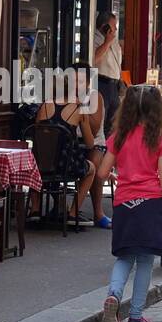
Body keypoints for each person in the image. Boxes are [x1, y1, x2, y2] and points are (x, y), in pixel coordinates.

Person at [96, 85, 162, 322]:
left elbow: (100, 173)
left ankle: (113, 296)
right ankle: (136, 318)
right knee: (145, 261)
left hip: (123, 204)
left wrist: (118, 174)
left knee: (124, 256)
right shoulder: (158, 140)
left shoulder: (118, 137)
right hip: (149, 204)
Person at [35, 64, 102, 226]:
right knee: (91, 168)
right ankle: (72, 214)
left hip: (42, 163)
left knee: (37, 166)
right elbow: (90, 143)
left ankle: (35, 210)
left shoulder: (45, 105)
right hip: (65, 164)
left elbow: (37, 134)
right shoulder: (78, 109)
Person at [93, 11, 122, 136]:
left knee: (114, 123)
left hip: (114, 85)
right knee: (101, 122)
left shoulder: (114, 41)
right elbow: (94, 59)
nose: (115, 28)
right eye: (113, 25)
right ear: (105, 26)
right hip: (101, 83)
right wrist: (107, 42)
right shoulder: (94, 38)